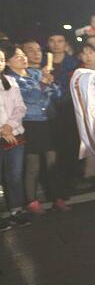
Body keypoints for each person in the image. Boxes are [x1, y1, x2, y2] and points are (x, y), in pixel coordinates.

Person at [5, 45, 69, 214]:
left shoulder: (35, 73)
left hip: (46, 121)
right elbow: (29, 98)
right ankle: (32, 201)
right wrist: (43, 85)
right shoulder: (11, 80)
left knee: (52, 162)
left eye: (23, 55)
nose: (23, 58)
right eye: (18, 56)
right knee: (33, 165)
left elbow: (56, 93)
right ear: (8, 61)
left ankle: (57, 198)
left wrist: (49, 84)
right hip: (29, 123)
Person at [0, 44, 30, 230]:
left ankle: (16, 210)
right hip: (5, 134)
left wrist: (9, 127)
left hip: (14, 135)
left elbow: (20, 107)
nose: (0, 63)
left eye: (2, 59)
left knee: (15, 175)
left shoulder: (11, 81)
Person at [48, 32, 81, 197]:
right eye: (52, 41)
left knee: (71, 144)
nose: (56, 44)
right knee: (56, 147)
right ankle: (56, 183)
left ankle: (71, 178)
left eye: (60, 41)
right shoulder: (43, 62)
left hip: (70, 108)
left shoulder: (73, 62)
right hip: (50, 110)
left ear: (65, 43)